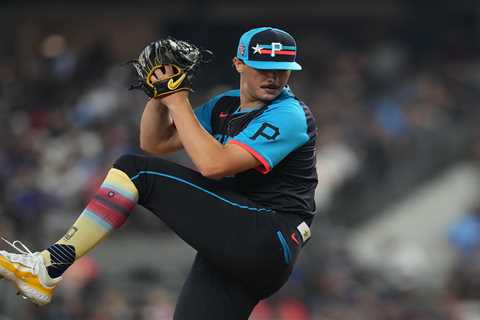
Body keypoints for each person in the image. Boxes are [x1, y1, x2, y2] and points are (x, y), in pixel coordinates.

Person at [0, 27, 317, 319]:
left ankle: (48, 266)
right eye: (264, 67)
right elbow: (154, 142)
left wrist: (178, 101)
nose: (273, 77)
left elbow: (214, 165)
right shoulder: (227, 105)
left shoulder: (289, 114)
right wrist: (160, 96)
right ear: (239, 64)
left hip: (267, 235)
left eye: (282, 69)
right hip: (240, 241)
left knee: (135, 172)